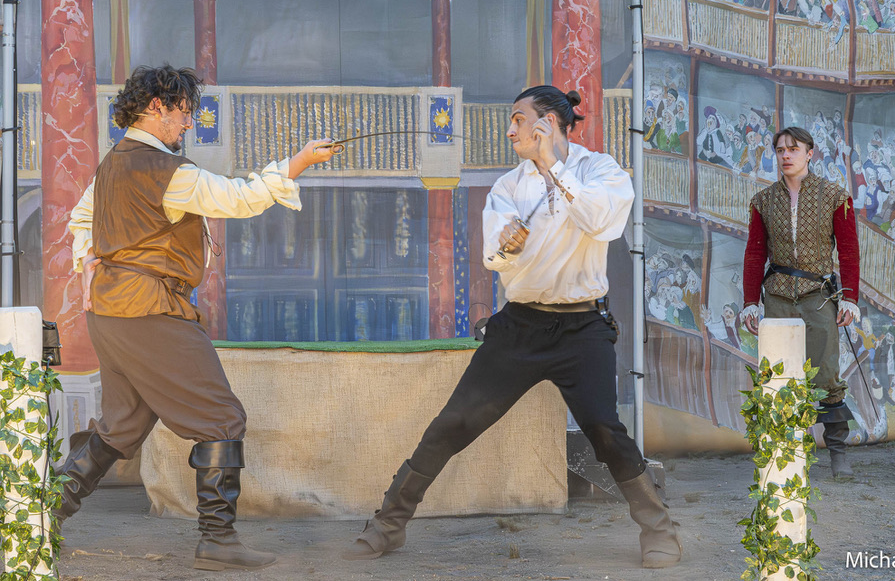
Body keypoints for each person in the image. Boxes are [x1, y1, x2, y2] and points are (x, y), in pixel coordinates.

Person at [347, 85, 682, 569]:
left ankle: (659, 529)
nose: (510, 131)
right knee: (453, 423)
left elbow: (602, 224)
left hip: (582, 327)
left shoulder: (601, 171)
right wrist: (507, 245)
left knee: (604, 430)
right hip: (519, 326)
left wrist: (553, 167)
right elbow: (494, 258)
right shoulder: (508, 186)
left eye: (519, 120)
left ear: (549, 123)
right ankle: (387, 524)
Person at [63, 65, 335, 570]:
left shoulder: (112, 164)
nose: (189, 122)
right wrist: (298, 162)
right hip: (150, 310)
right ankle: (217, 541)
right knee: (221, 418)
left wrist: (88, 264)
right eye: (184, 111)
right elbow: (239, 198)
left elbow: (81, 220)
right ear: (157, 107)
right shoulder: (167, 171)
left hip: (112, 312)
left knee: (121, 426)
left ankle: (35, 519)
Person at [740, 126, 861, 479]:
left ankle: (837, 453)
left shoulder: (835, 196)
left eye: (793, 149)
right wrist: (750, 301)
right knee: (779, 377)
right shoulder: (763, 201)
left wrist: (850, 298)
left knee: (826, 374)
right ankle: (786, 456)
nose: (786, 155)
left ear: (810, 153)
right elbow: (754, 253)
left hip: (819, 296)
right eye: (780, 150)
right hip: (778, 295)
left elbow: (849, 251)